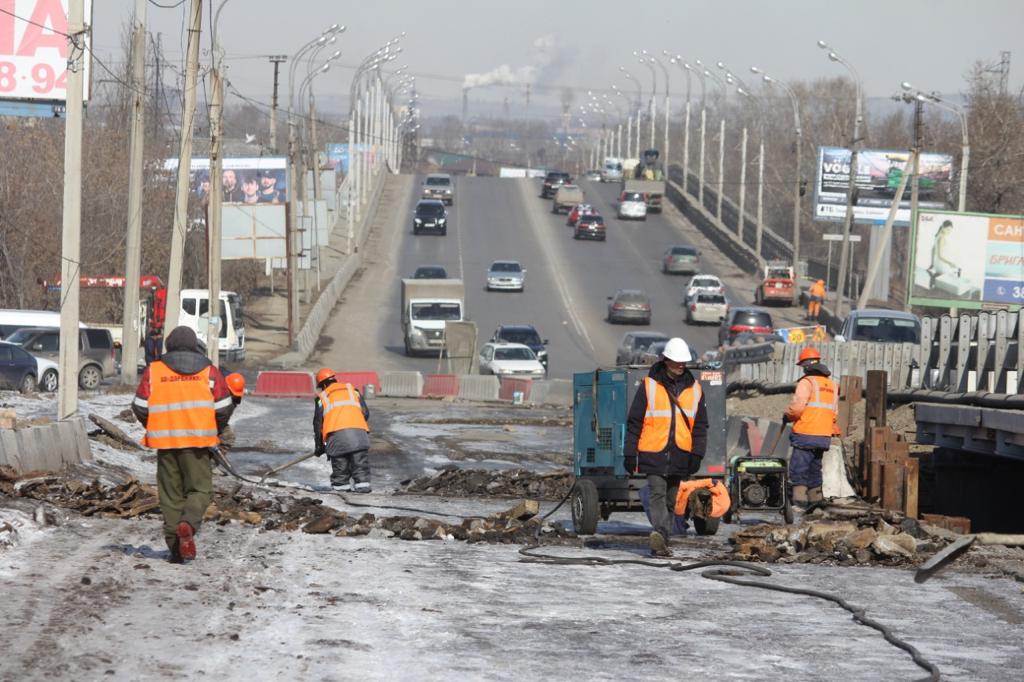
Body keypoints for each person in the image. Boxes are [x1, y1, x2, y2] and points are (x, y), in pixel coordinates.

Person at [132, 326, 235, 563]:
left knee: (170, 496)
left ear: (168, 346)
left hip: (165, 444)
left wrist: (156, 423)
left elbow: (139, 406)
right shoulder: (210, 372)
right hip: (198, 444)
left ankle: (176, 550)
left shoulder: (154, 371)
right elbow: (223, 408)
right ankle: (188, 523)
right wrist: (213, 428)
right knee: (200, 490)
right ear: (194, 346)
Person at [624, 337, 708, 556]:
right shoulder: (649, 386)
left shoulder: (695, 389)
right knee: (658, 494)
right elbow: (634, 421)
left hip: (680, 454)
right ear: (665, 360)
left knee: (672, 500)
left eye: (683, 362)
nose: (681, 366)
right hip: (654, 452)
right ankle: (659, 534)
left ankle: (663, 541)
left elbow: (700, 426)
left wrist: (697, 454)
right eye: (676, 361)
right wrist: (630, 453)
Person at [783, 347, 839, 509]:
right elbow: (834, 413)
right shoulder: (832, 385)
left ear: (806, 365)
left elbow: (797, 408)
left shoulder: (807, 382)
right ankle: (816, 499)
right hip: (823, 435)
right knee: (815, 467)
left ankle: (799, 501)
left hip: (805, 432)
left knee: (798, 467)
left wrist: (788, 416)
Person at [313, 368, 371, 493]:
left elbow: (318, 424)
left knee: (340, 467)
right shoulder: (353, 391)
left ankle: (341, 490)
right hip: (359, 435)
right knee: (360, 465)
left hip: (336, 438)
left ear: (322, 384)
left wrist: (319, 446)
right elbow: (365, 413)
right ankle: (364, 488)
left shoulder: (321, 398)